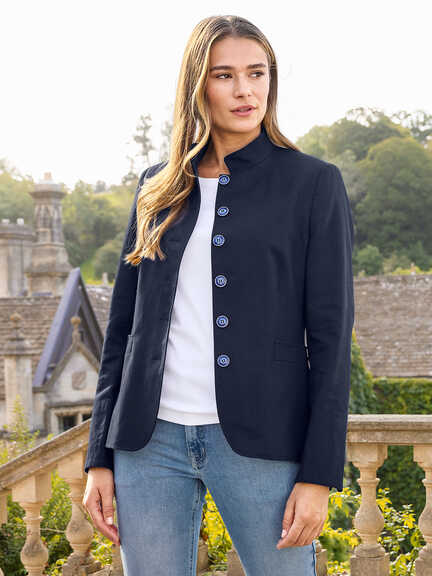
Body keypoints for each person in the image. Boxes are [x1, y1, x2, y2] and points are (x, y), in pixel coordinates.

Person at [83, 14, 355, 576]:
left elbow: (331, 341)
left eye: (257, 73)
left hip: (263, 442)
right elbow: (123, 332)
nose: (245, 90)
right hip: (147, 444)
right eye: (224, 75)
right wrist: (98, 458)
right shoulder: (156, 186)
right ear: (198, 85)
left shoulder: (312, 183)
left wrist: (318, 474)